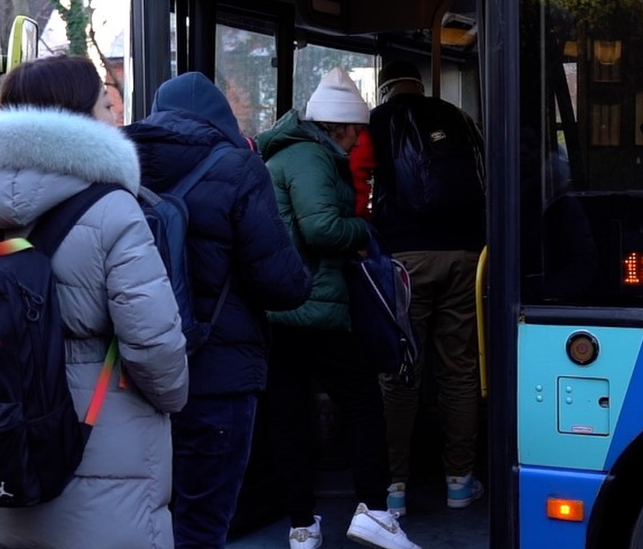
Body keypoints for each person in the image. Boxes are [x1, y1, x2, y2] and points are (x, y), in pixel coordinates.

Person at [0, 55, 189, 549]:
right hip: (101, 438)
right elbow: (153, 345)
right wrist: (174, 396)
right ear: (77, 115)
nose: (116, 115)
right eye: (106, 104)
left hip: (9, 439)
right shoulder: (112, 208)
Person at [122, 72, 313, 548]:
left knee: (144, 518)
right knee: (204, 521)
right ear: (221, 116)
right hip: (218, 377)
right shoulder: (238, 168)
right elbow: (283, 285)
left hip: (137, 376)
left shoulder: (120, 166)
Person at [255, 67, 420, 549]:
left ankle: (302, 526)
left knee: (288, 416)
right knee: (363, 402)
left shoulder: (290, 154)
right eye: (356, 132)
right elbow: (322, 229)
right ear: (341, 127)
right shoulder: (311, 157)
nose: (357, 142)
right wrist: (363, 236)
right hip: (314, 306)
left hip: (281, 307)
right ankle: (373, 510)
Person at [367, 60, 486, 515]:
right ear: (419, 85)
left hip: (404, 262)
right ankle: (459, 480)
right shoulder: (458, 119)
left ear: (385, 90)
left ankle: (394, 486)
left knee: (401, 370)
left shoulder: (378, 122)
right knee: (458, 369)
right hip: (467, 258)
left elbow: (359, 187)